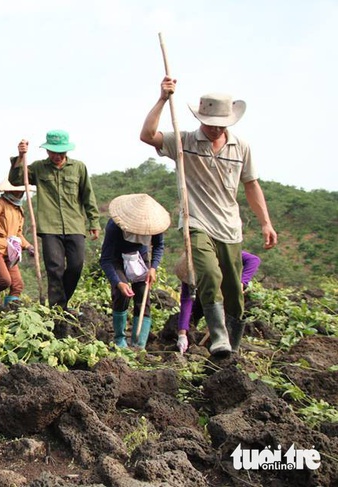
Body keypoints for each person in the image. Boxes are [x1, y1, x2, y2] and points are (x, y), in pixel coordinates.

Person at [140, 77, 277, 357]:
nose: (214, 129)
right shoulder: (185, 141)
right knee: (208, 275)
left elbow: (251, 185)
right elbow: (147, 135)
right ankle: (218, 338)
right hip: (196, 222)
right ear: (200, 118)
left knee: (233, 291)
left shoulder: (241, 148)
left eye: (220, 124)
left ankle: (231, 348)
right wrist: (163, 100)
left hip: (229, 227)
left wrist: (265, 222)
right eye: (210, 123)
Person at [8, 130, 100, 310]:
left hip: (75, 225)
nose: (57, 156)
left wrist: (94, 222)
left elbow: (88, 196)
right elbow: (16, 179)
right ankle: (58, 309)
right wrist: (20, 156)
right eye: (53, 152)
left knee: (76, 265)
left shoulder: (79, 168)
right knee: (55, 268)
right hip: (49, 227)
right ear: (47, 151)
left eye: (61, 152)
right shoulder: (38, 168)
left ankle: (62, 302)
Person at [99, 194, 169, 348]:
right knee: (122, 294)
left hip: (140, 257)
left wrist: (153, 268)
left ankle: (139, 344)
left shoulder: (153, 225)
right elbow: (105, 259)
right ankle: (120, 340)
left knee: (143, 295)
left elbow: (158, 246)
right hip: (117, 258)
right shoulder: (114, 226)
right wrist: (118, 282)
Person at [175, 251, 261, 353]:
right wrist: (182, 334)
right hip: (206, 294)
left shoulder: (219, 253)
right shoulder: (188, 274)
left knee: (232, 315)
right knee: (193, 312)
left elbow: (253, 260)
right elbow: (186, 302)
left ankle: (231, 348)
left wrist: (242, 283)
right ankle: (193, 340)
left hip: (226, 287)